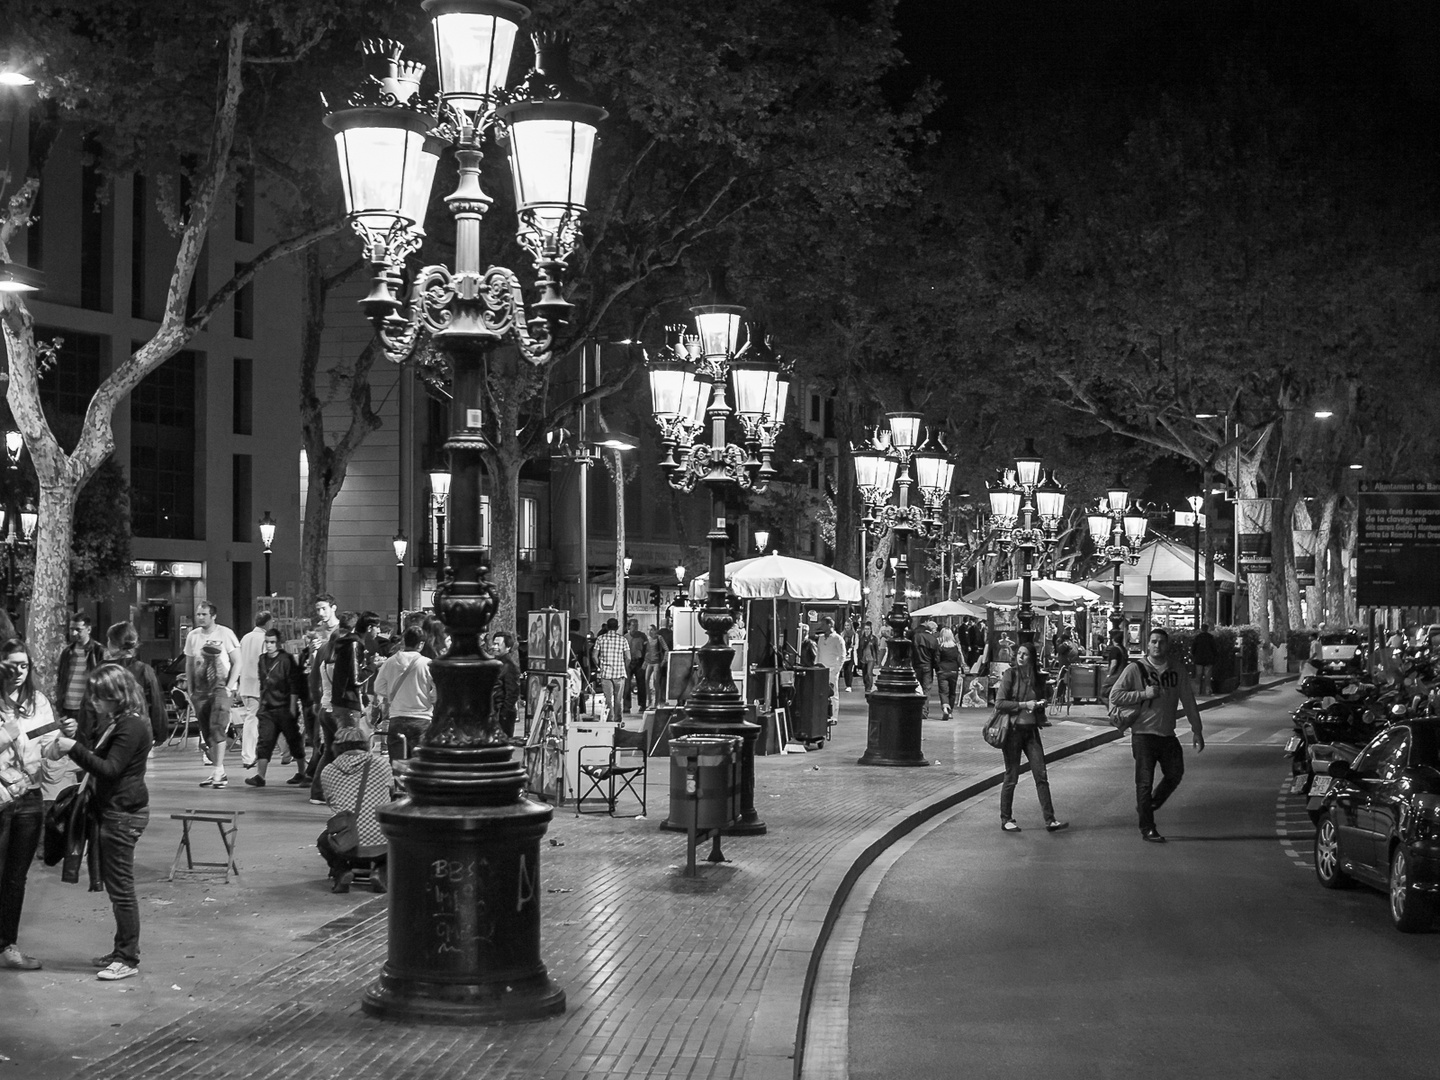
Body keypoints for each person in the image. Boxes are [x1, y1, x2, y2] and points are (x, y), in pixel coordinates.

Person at [47, 664, 153, 980]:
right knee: (116, 886)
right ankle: (121, 950)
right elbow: (99, 758)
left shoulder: (131, 726)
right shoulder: (120, 722)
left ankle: (127, 958)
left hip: (124, 814)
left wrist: (73, 748)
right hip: (115, 811)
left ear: (115, 695)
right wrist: (74, 739)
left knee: (121, 889)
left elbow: (109, 769)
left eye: (99, 696)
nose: (94, 702)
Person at [0, 639, 67, 971]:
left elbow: (48, 748)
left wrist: (61, 742)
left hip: (29, 797)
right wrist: (6, 733)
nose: (18, 673)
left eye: (23, 666)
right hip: (0, 797)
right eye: (11, 665)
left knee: (15, 877)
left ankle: (7, 945)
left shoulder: (38, 701)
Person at [1109, 627, 1206, 843]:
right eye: (1153, 641)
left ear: (1166, 645)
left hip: (1166, 734)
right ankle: (1148, 827)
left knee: (1175, 772)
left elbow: (1188, 701)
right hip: (1143, 734)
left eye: (1161, 642)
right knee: (1144, 782)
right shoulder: (1135, 669)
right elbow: (1115, 695)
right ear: (1147, 644)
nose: (1157, 645)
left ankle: (1149, 805)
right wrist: (1144, 694)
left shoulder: (1176, 670)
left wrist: (1197, 730)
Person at [995, 643, 1067, 833]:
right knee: (1011, 775)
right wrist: (1023, 704)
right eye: (1019, 653)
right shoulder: (1011, 675)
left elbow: (1040, 699)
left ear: (1032, 658)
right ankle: (1006, 819)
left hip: (1031, 731)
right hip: (1013, 731)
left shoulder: (1036, 677)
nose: (1021, 657)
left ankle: (1050, 819)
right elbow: (1000, 703)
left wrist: (1040, 704)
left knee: (1041, 775)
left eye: (1025, 654)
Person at [317, 726, 395, 894]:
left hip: (346, 844)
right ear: (365, 745)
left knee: (323, 841)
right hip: (382, 844)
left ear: (337, 746)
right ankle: (380, 871)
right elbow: (391, 792)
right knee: (399, 836)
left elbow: (333, 805)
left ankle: (342, 871)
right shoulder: (381, 764)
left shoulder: (328, 770)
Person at [185, 601, 241, 789]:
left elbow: (238, 661)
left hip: (221, 688)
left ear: (213, 616)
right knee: (207, 731)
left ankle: (218, 771)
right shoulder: (193, 637)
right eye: (198, 614)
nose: (200, 617)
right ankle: (219, 771)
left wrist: (229, 686)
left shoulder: (226, 634)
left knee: (217, 725)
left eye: (204, 614)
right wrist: (191, 690)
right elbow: (190, 664)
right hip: (201, 691)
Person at [247, 628, 306, 787]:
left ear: (278, 643)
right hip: (268, 707)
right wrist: (262, 704)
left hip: (284, 707)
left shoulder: (286, 659)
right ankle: (260, 776)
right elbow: (263, 683)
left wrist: (293, 707)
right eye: (267, 642)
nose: (269, 645)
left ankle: (302, 772)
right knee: (264, 741)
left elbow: (293, 684)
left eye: (272, 642)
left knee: (293, 740)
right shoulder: (262, 659)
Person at [374, 626, 435, 760]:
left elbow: (378, 687)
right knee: (420, 765)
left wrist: (391, 695)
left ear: (404, 641)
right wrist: (429, 698)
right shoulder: (427, 664)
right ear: (421, 644)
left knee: (397, 764)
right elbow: (437, 690)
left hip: (397, 718)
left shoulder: (390, 662)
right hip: (422, 719)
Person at [105, 622, 168, 747]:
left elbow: (89, 705)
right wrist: (160, 733)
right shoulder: (144, 670)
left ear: (113, 643)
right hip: (138, 732)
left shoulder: (102, 670)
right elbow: (156, 704)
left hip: (106, 732)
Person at [55, 613, 105, 736]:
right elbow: (61, 679)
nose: (74, 633)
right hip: (67, 706)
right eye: (71, 629)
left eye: (78, 630)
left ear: (89, 629)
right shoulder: (67, 652)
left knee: (85, 743)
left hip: (87, 707)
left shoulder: (98, 651)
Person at [236, 611, 272, 769]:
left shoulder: (245, 637)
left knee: (255, 718)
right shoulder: (264, 639)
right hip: (259, 683)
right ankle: (248, 756)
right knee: (253, 719)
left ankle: (253, 754)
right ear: (268, 623)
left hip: (245, 683)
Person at [593, 618, 628, 720]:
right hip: (619, 673)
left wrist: (599, 666)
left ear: (607, 627)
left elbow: (594, 656)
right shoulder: (623, 640)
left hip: (606, 674)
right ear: (617, 628)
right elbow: (628, 657)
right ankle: (618, 719)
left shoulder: (600, 639)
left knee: (608, 699)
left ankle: (610, 719)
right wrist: (623, 666)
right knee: (618, 699)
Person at [812, 617, 847, 719]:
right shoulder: (821, 638)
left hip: (832, 670)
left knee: (833, 694)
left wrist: (836, 670)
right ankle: (821, 714)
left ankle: (833, 716)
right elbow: (818, 653)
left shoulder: (838, 639)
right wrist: (816, 665)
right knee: (820, 693)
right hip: (820, 670)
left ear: (830, 625)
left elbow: (842, 656)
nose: (821, 626)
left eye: (823, 624)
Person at [489, 630, 522, 737]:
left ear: (508, 647)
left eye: (498, 644)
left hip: (502, 715)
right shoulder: (495, 663)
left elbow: (512, 693)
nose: (494, 646)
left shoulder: (510, 666)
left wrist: (503, 714)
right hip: (493, 712)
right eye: (494, 643)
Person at [911, 617, 940, 719]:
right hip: (928, 666)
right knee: (926, 689)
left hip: (917, 665)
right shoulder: (933, 640)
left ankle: (916, 709)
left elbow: (912, 652)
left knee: (916, 688)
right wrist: (937, 669)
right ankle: (924, 711)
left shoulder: (916, 637)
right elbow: (936, 657)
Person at [934, 627, 963, 720]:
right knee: (952, 692)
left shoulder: (940, 647)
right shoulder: (955, 647)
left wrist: (937, 668)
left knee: (943, 691)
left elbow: (937, 660)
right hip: (954, 671)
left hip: (942, 671)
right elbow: (959, 660)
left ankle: (945, 708)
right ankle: (950, 712)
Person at [643, 625, 669, 709]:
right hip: (649, 662)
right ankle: (649, 701)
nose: (650, 632)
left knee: (655, 682)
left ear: (655, 630)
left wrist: (664, 660)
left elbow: (666, 649)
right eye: (648, 630)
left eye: (651, 630)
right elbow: (646, 651)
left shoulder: (659, 638)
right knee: (646, 681)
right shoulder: (647, 639)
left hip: (657, 662)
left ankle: (657, 702)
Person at [625, 618, 647, 714]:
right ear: (629, 626)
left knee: (641, 684)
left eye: (637, 625)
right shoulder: (625, 637)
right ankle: (626, 705)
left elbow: (647, 649)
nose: (635, 627)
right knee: (626, 685)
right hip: (628, 662)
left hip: (639, 661)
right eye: (633, 625)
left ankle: (642, 704)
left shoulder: (642, 636)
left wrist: (645, 661)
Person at [1191, 623, 1218, 694]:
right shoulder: (1210, 637)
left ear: (1201, 629)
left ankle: (1197, 691)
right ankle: (1207, 691)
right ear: (1207, 629)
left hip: (1199, 659)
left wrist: (1194, 655)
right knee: (1207, 676)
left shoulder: (1197, 637)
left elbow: (1193, 649)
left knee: (1198, 676)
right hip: (1208, 659)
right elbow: (1214, 649)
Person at [1101, 629, 1128, 697]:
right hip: (1123, 675)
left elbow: (1114, 664)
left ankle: (1111, 706)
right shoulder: (1123, 649)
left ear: (1113, 639)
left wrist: (1109, 674)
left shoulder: (1114, 649)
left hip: (1115, 676)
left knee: (1104, 692)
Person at [856, 622, 880, 692]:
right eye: (865, 629)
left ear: (871, 630)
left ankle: (869, 686)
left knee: (869, 672)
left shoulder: (874, 639)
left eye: (868, 629)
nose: (867, 630)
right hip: (863, 658)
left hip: (871, 658)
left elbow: (876, 649)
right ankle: (866, 685)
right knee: (864, 673)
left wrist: (877, 660)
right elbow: (860, 648)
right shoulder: (862, 638)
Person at [840, 618, 857, 692]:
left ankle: (849, 685)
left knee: (849, 670)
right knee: (845, 670)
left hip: (851, 655)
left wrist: (851, 649)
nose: (847, 627)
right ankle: (847, 684)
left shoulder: (854, 635)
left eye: (848, 625)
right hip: (844, 655)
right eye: (845, 625)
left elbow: (856, 645)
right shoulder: (842, 634)